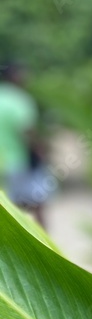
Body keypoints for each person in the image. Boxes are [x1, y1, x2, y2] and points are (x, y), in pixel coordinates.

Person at [0, 63, 53, 225]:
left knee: (9, 206)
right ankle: (44, 244)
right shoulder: (20, 100)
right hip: (20, 160)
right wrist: (40, 150)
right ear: (14, 77)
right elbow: (26, 130)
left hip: (3, 162)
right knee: (37, 201)